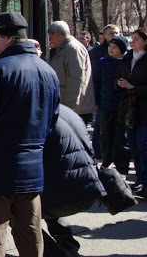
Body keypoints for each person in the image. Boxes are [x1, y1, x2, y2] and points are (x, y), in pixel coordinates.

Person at [0, 11, 60, 257]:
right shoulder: (48, 72)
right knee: (30, 235)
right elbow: (52, 122)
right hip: (32, 172)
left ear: (6, 37)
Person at [42, 105, 106, 257]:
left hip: (66, 193)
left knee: (17, 210)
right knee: (49, 193)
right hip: (90, 188)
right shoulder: (68, 112)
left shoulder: (37, 117)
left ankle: (56, 254)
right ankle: (69, 247)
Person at [117, 27, 147, 199]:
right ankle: (140, 179)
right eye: (132, 38)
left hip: (144, 111)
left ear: (145, 41)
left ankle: (146, 181)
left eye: (137, 39)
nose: (133, 41)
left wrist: (134, 88)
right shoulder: (128, 57)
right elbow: (118, 76)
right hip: (130, 110)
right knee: (134, 147)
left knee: (143, 146)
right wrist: (120, 83)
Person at [93, 36, 130, 177]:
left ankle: (122, 167)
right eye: (110, 46)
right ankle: (106, 160)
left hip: (122, 105)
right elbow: (96, 82)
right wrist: (96, 102)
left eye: (115, 47)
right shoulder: (102, 62)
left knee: (121, 138)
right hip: (105, 104)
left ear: (122, 50)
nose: (111, 49)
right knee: (105, 136)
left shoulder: (127, 62)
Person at [48, 21, 96, 125]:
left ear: (57, 34)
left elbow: (76, 79)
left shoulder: (72, 49)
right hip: (68, 106)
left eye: (50, 37)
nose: (50, 40)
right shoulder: (65, 48)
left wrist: (68, 108)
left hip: (74, 109)